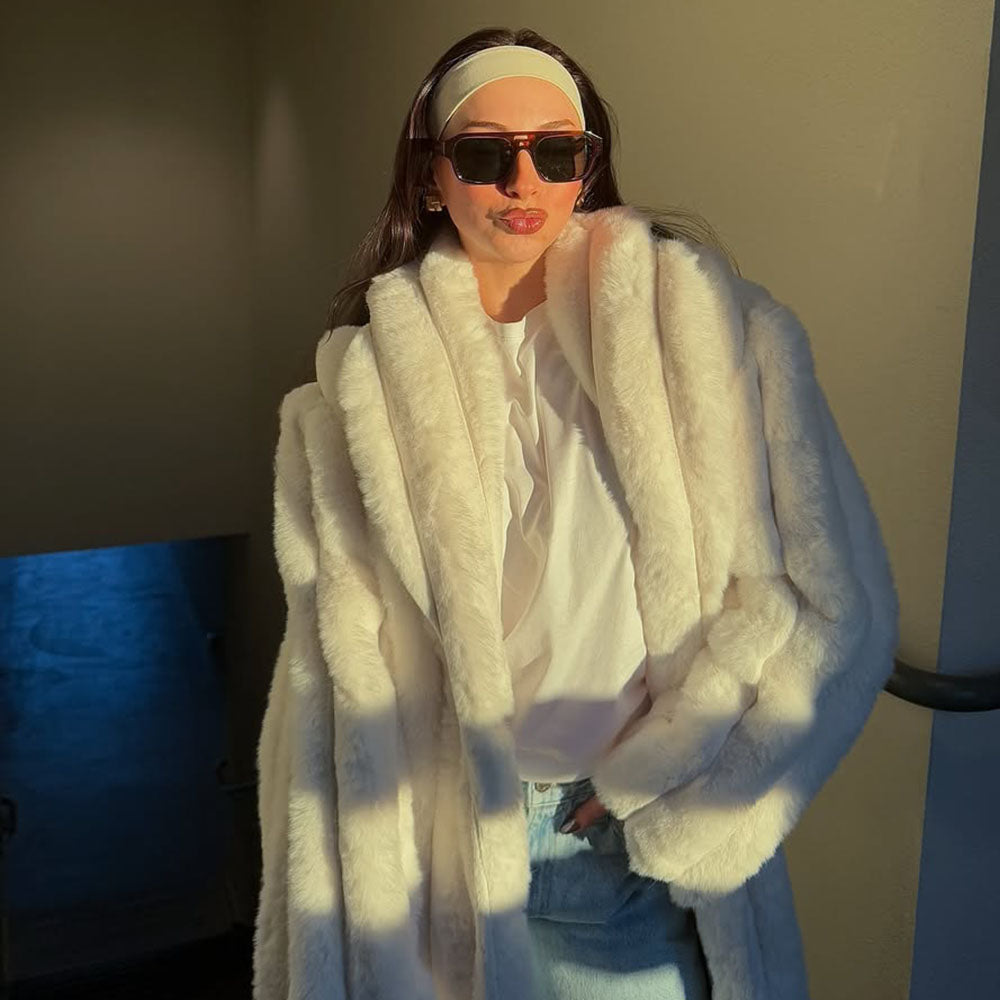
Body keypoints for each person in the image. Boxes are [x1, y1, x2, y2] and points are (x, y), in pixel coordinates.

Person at [253, 27, 900, 1000]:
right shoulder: (351, 401)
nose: (524, 181)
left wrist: (674, 785)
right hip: (433, 861)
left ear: (587, 168)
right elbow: (326, 684)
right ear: (430, 177)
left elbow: (832, 602)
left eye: (556, 151)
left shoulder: (705, 336)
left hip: (611, 856)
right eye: (484, 155)